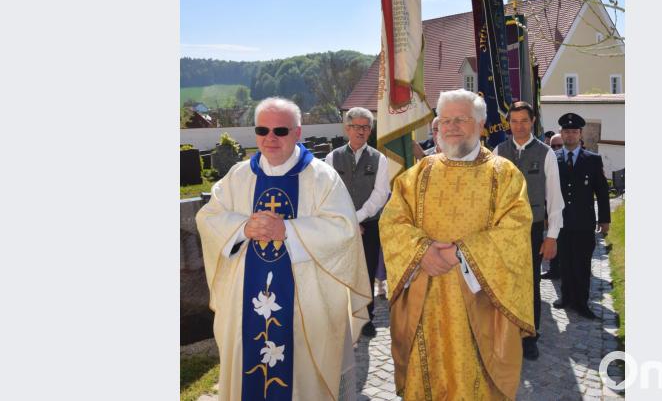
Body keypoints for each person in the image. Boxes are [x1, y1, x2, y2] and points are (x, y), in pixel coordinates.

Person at [196, 97, 372, 401]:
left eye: (280, 130)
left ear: (298, 132)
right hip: (246, 300)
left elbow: (343, 230)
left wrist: (288, 231)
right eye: (262, 130)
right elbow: (208, 217)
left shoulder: (322, 177)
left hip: (307, 303)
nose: (270, 138)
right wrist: (243, 228)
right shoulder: (239, 176)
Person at [380, 89, 534, 400]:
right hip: (425, 298)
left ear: (480, 124)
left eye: (461, 119)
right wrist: (421, 251)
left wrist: (461, 252)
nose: (450, 127)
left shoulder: (505, 175)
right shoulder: (417, 174)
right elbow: (392, 222)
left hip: (480, 301)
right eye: (445, 120)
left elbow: (515, 229)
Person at [492, 101, 564, 360]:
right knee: (504, 282)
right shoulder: (498, 151)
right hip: (503, 230)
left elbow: (554, 199)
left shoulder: (546, 153)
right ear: (508, 123)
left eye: (524, 120)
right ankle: (506, 333)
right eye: (514, 121)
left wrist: (552, 236)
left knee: (530, 283)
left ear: (532, 122)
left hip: (532, 229)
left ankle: (530, 335)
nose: (519, 126)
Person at [326, 107, 391, 338]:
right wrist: (348, 220)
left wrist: (357, 218)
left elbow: (380, 194)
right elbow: (329, 192)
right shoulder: (332, 158)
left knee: (367, 271)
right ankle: (342, 318)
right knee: (341, 271)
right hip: (339, 225)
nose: (361, 131)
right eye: (356, 126)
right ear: (347, 128)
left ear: (370, 130)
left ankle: (366, 319)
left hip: (369, 226)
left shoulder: (379, 158)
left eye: (365, 127)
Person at [553, 112, 611, 319]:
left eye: (574, 131)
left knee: (582, 264)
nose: (570, 135)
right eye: (566, 131)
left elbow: (602, 192)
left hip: (584, 222)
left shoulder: (592, 160)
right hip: (561, 222)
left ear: (580, 134)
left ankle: (581, 302)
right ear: (561, 133)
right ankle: (566, 297)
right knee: (565, 262)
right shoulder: (553, 159)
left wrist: (604, 219)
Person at [542, 133, 566, 280]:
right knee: (553, 239)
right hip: (553, 211)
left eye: (559, 145)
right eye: (553, 146)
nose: (556, 148)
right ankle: (554, 270)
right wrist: (546, 216)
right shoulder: (548, 160)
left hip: (570, 211)